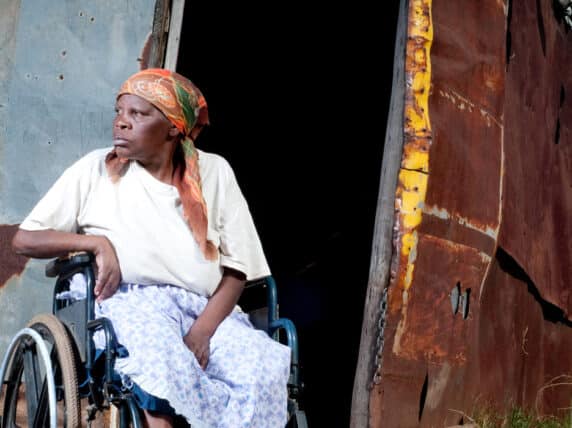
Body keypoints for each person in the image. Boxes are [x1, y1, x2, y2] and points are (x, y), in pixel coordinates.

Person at [12, 68, 291, 427]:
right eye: (119, 112)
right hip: (128, 302)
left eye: (138, 114)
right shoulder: (96, 169)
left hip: (205, 310)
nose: (121, 123)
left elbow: (239, 269)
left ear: (173, 127)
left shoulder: (215, 173)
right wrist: (95, 243)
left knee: (260, 366)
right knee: (164, 362)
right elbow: (25, 239)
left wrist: (202, 333)